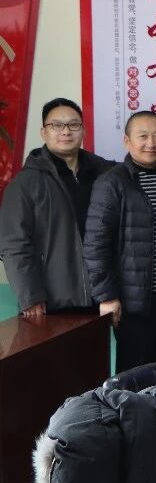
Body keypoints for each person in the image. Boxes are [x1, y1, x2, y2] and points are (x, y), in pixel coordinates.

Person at [83, 111, 156, 376]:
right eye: (143, 136)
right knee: (134, 375)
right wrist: (106, 296)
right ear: (127, 141)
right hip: (133, 303)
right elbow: (95, 245)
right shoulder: (112, 182)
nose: (151, 143)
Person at [0, 98, 112, 319]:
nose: (66, 131)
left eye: (73, 125)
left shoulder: (104, 174)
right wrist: (31, 297)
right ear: (44, 132)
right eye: (57, 125)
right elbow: (13, 246)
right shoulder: (25, 184)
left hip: (102, 298)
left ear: (83, 131)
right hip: (50, 303)